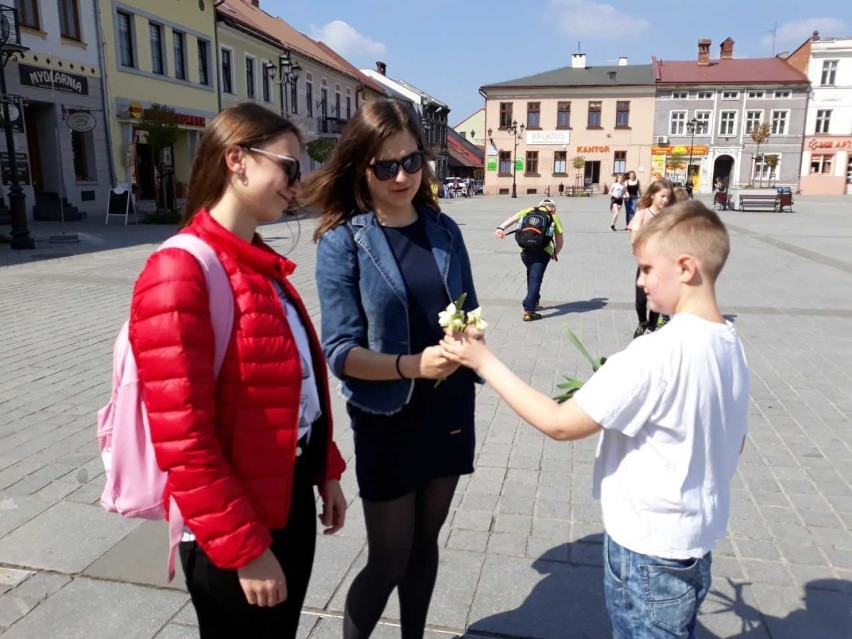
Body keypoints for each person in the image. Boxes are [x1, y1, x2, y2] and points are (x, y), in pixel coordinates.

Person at [441, 201, 749, 639]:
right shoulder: (729, 342)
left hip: (647, 548)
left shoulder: (656, 353)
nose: (640, 282)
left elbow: (561, 423)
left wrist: (483, 360)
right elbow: (733, 439)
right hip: (694, 543)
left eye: (645, 269)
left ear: (685, 267)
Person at [128, 102, 347, 639]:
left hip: (285, 495)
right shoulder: (180, 270)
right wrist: (245, 549)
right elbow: (182, 437)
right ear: (237, 160)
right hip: (235, 521)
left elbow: (294, 386)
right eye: (289, 168)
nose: (297, 185)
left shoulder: (256, 262)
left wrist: (326, 468)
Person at [306, 98, 480, 639]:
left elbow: (467, 309)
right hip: (387, 416)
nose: (403, 175)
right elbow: (339, 352)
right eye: (386, 166)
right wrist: (412, 365)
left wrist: (467, 337)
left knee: (425, 546)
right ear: (360, 165)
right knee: (388, 560)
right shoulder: (343, 242)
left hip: (449, 407)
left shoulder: (444, 229)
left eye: (411, 162)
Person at [495, 198, 564, 321]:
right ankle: (529, 310)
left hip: (525, 250)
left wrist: (500, 228)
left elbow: (512, 219)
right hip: (543, 252)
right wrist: (555, 253)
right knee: (535, 279)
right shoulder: (554, 216)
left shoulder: (528, 210)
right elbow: (560, 241)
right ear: (553, 208)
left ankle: (535, 301)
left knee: (532, 275)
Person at [628, 179, 673, 338]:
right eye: (662, 196)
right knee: (641, 300)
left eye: (668, 197)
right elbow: (634, 239)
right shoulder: (643, 214)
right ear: (653, 195)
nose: (665, 200)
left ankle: (652, 326)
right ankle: (642, 321)